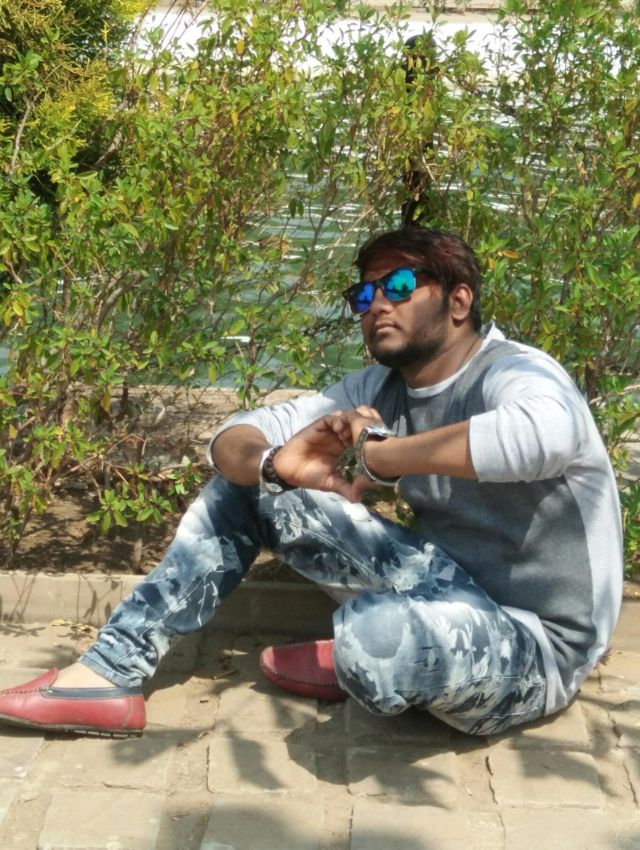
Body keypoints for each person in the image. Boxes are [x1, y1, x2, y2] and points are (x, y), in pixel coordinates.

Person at [0, 226, 623, 738]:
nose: (377, 305)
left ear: (458, 302)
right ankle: (109, 675)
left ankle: (368, 651)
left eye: (399, 286)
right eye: (364, 295)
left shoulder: (517, 373)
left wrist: (383, 457)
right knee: (252, 486)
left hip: (537, 647)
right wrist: (274, 464)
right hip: (446, 590)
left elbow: (544, 438)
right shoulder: (379, 388)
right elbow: (233, 436)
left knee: (377, 637)